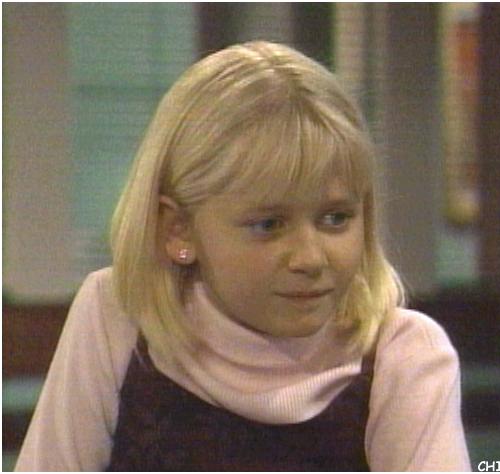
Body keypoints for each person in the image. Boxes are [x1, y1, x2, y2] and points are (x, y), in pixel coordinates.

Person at [15, 41, 470, 471]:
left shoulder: (404, 357)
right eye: (269, 224)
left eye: (335, 219)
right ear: (178, 228)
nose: (311, 258)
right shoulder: (118, 316)